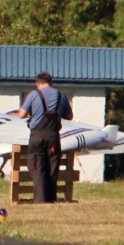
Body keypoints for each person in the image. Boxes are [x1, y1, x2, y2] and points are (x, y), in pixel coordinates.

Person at [17, 72, 73, 203]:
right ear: (51, 83)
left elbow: (22, 114)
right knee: (52, 167)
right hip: (54, 137)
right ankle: (51, 199)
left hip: (37, 135)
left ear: (38, 83)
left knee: (37, 166)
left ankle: (40, 199)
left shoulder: (34, 95)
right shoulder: (61, 96)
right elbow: (70, 116)